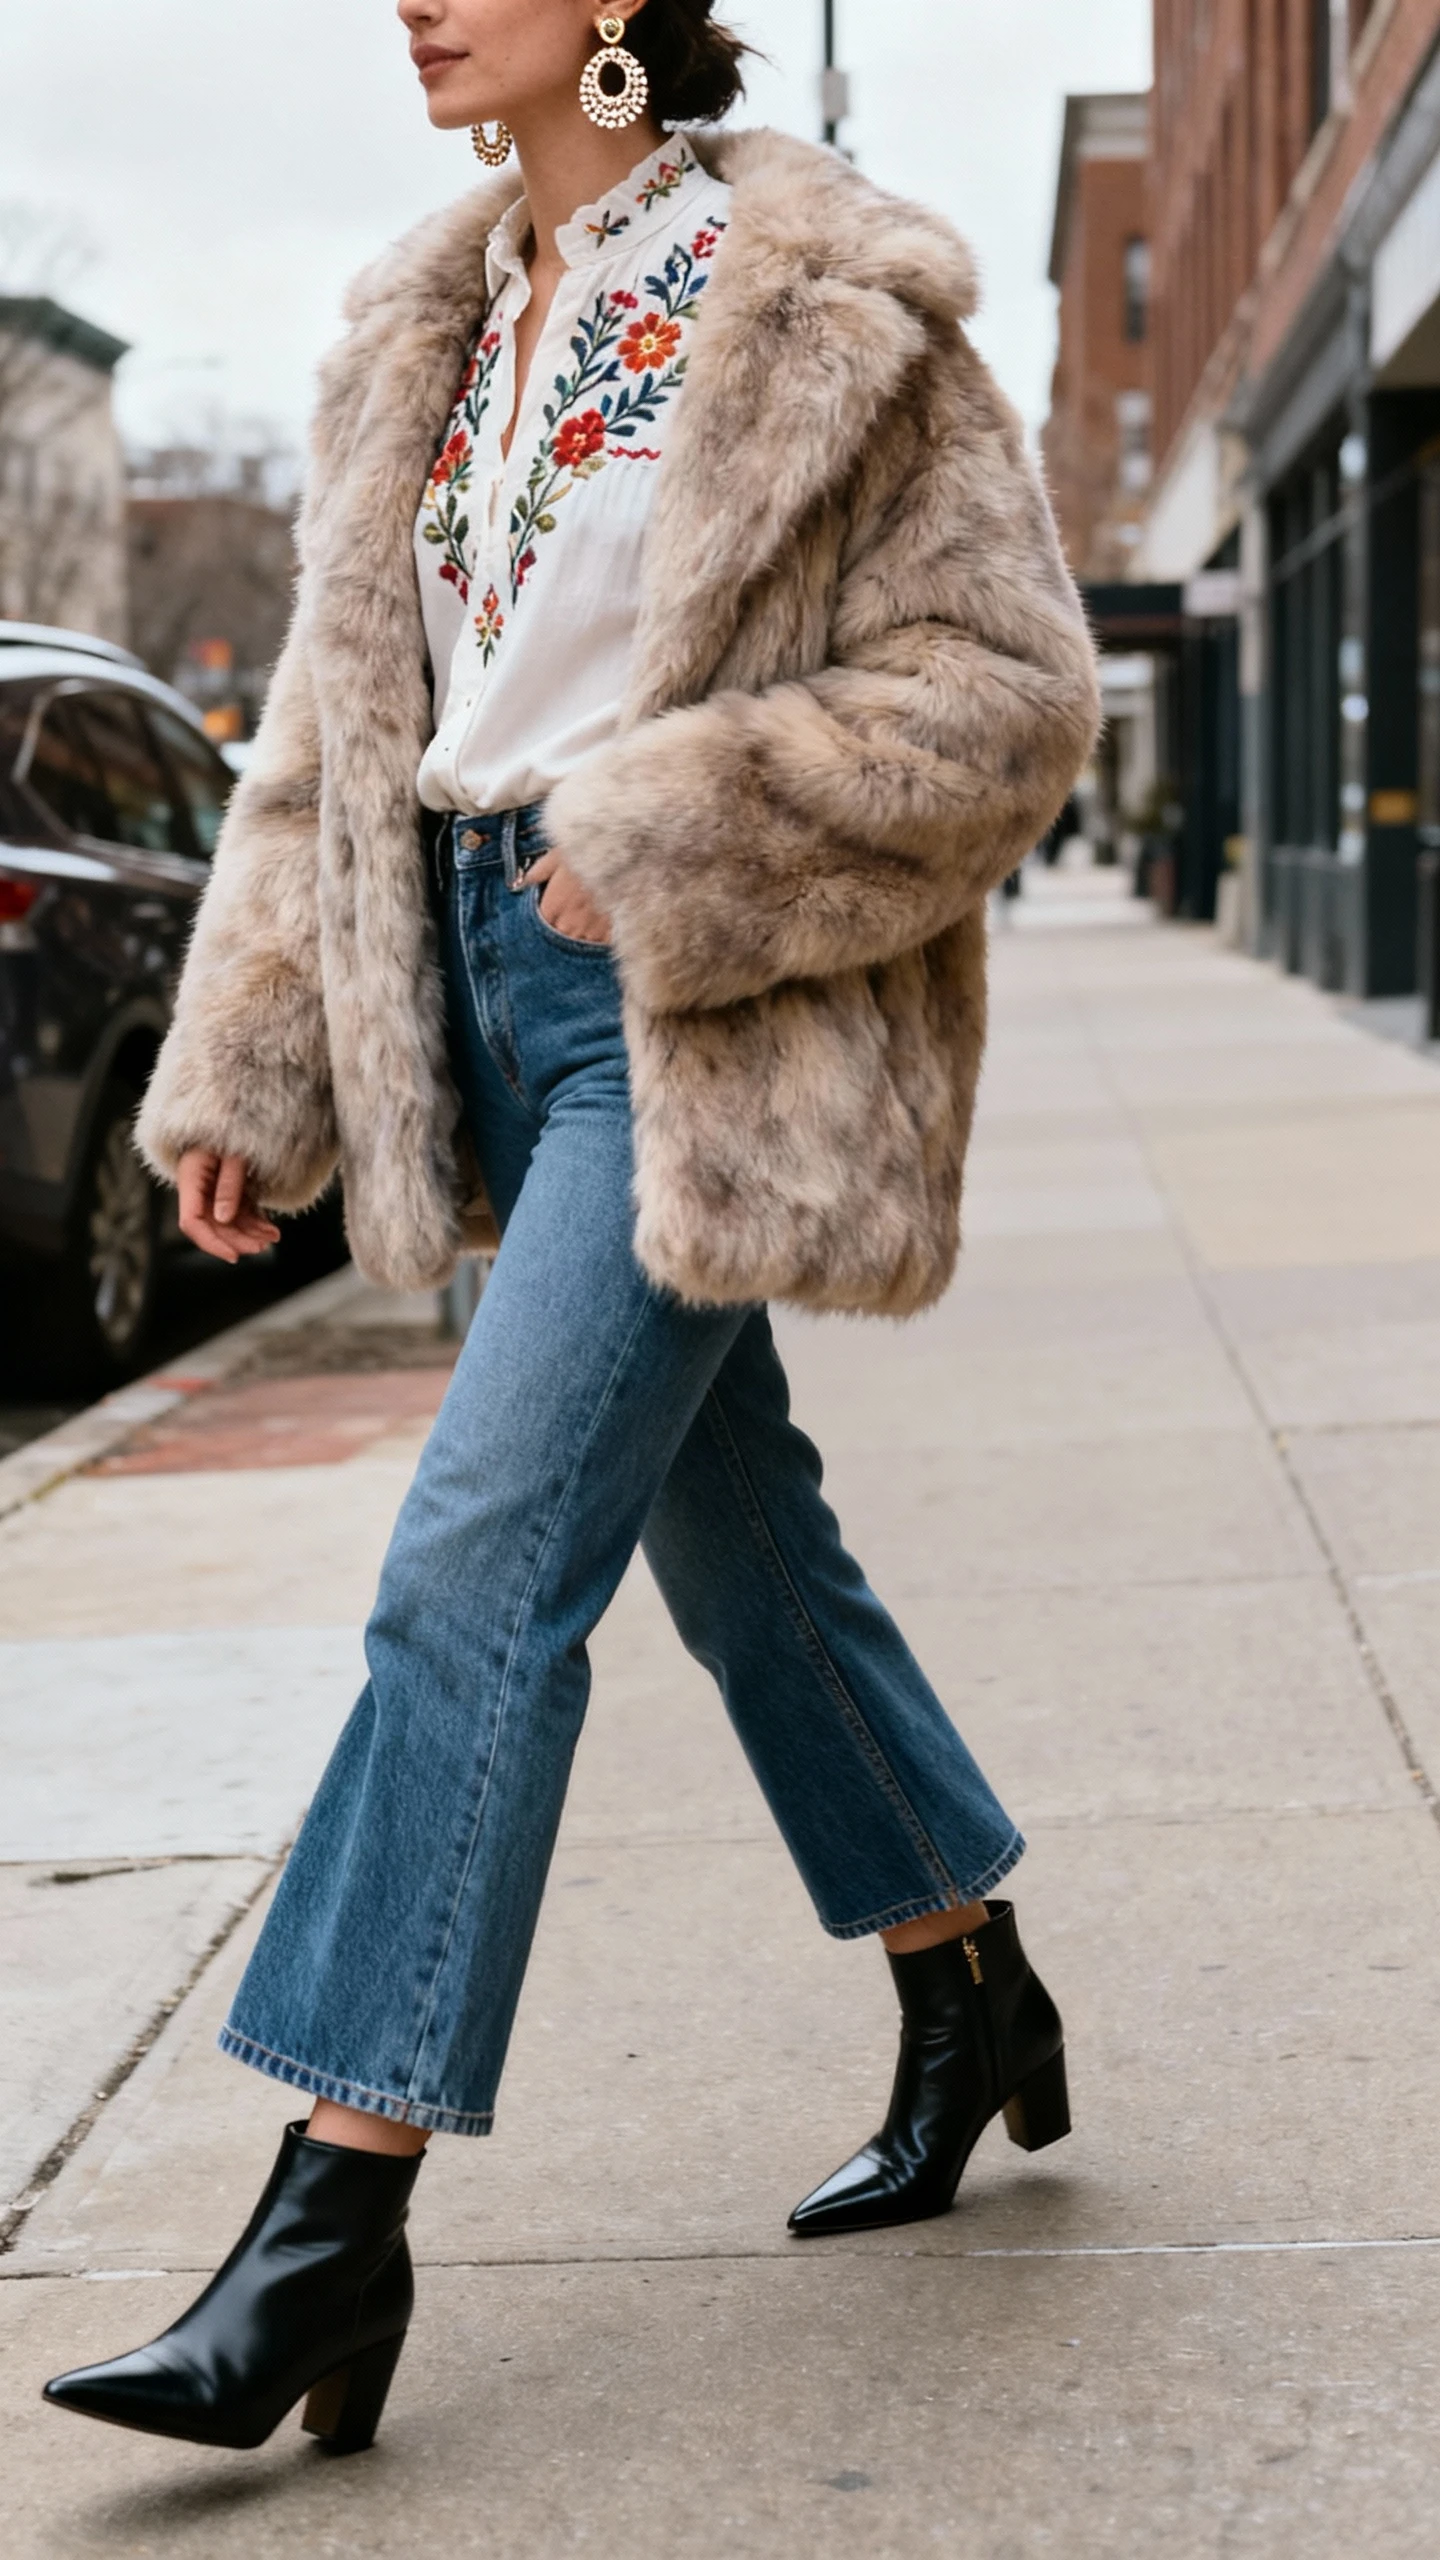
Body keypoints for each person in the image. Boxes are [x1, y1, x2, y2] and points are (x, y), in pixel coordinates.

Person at [44, 0, 1100, 2458]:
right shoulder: (417, 320)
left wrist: (681, 823)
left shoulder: (826, 296)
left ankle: (334, 2207)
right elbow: (330, 734)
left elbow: (1008, 694)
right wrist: (263, 1064)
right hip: (474, 993)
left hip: (681, 1003)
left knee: (474, 1560)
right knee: (747, 1557)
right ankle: (976, 1985)